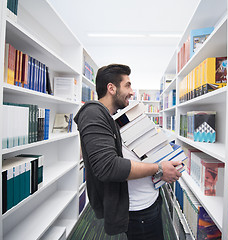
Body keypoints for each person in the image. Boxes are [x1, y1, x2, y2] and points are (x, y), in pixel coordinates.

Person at [74, 63, 182, 238]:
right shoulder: (93, 113)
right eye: (127, 85)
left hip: (148, 201)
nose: (132, 92)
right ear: (111, 88)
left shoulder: (111, 117)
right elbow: (108, 167)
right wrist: (159, 168)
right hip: (137, 211)